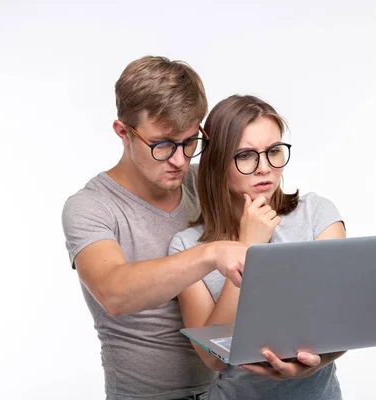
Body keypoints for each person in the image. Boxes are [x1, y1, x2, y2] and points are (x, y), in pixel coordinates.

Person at [61, 57, 320, 400]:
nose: (181, 160)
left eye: (190, 142)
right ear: (123, 132)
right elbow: (114, 294)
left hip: (226, 390)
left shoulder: (206, 183)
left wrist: (318, 357)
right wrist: (212, 253)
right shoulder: (91, 207)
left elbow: (282, 215)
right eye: (163, 144)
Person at [169, 94, 347, 399]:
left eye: (274, 151)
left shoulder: (317, 215)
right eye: (247, 155)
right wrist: (247, 247)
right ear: (217, 163)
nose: (264, 167)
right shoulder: (186, 246)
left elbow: (342, 327)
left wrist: (315, 364)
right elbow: (212, 357)